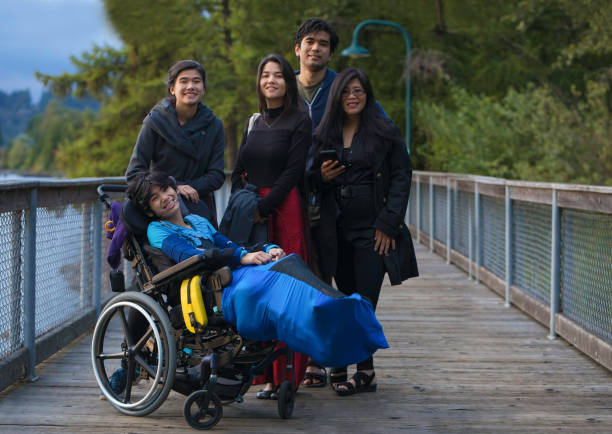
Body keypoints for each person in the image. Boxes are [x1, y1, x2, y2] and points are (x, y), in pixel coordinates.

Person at [309, 68, 418, 395]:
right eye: (345, 91)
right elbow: (309, 180)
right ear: (337, 97)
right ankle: (344, 363)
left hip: (373, 231)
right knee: (343, 298)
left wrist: (388, 224)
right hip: (335, 229)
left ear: (367, 95)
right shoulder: (325, 133)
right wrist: (322, 176)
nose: (352, 96)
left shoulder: (384, 132)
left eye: (358, 91)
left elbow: (402, 176)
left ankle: (366, 371)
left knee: (364, 301)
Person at [230, 54, 312, 398]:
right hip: (254, 211)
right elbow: (239, 168)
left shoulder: (299, 119)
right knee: (257, 287)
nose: (272, 80)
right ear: (259, 81)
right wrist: (241, 201)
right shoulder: (254, 121)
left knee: (287, 288)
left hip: (284, 209)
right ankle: (265, 375)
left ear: (287, 82)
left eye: (279, 75)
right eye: (266, 75)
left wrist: (266, 205)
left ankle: (290, 375)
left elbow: (294, 171)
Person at [125, 60, 225, 225]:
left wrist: (187, 187)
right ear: (172, 88)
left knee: (208, 249)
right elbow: (134, 173)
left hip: (198, 208)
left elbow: (216, 176)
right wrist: (173, 187)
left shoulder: (214, 125)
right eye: (183, 81)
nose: (190, 86)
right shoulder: (155, 122)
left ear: (204, 88)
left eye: (196, 81)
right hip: (161, 210)